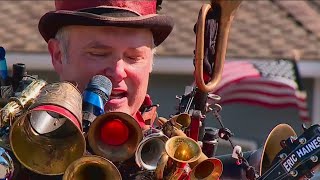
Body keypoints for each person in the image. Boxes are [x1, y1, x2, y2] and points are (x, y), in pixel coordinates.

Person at [39, 0, 174, 130]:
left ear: (151, 61)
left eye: (133, 57)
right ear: (58, 55)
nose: (118, 72)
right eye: (99, 54)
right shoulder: (20, 145)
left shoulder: (171, 150)